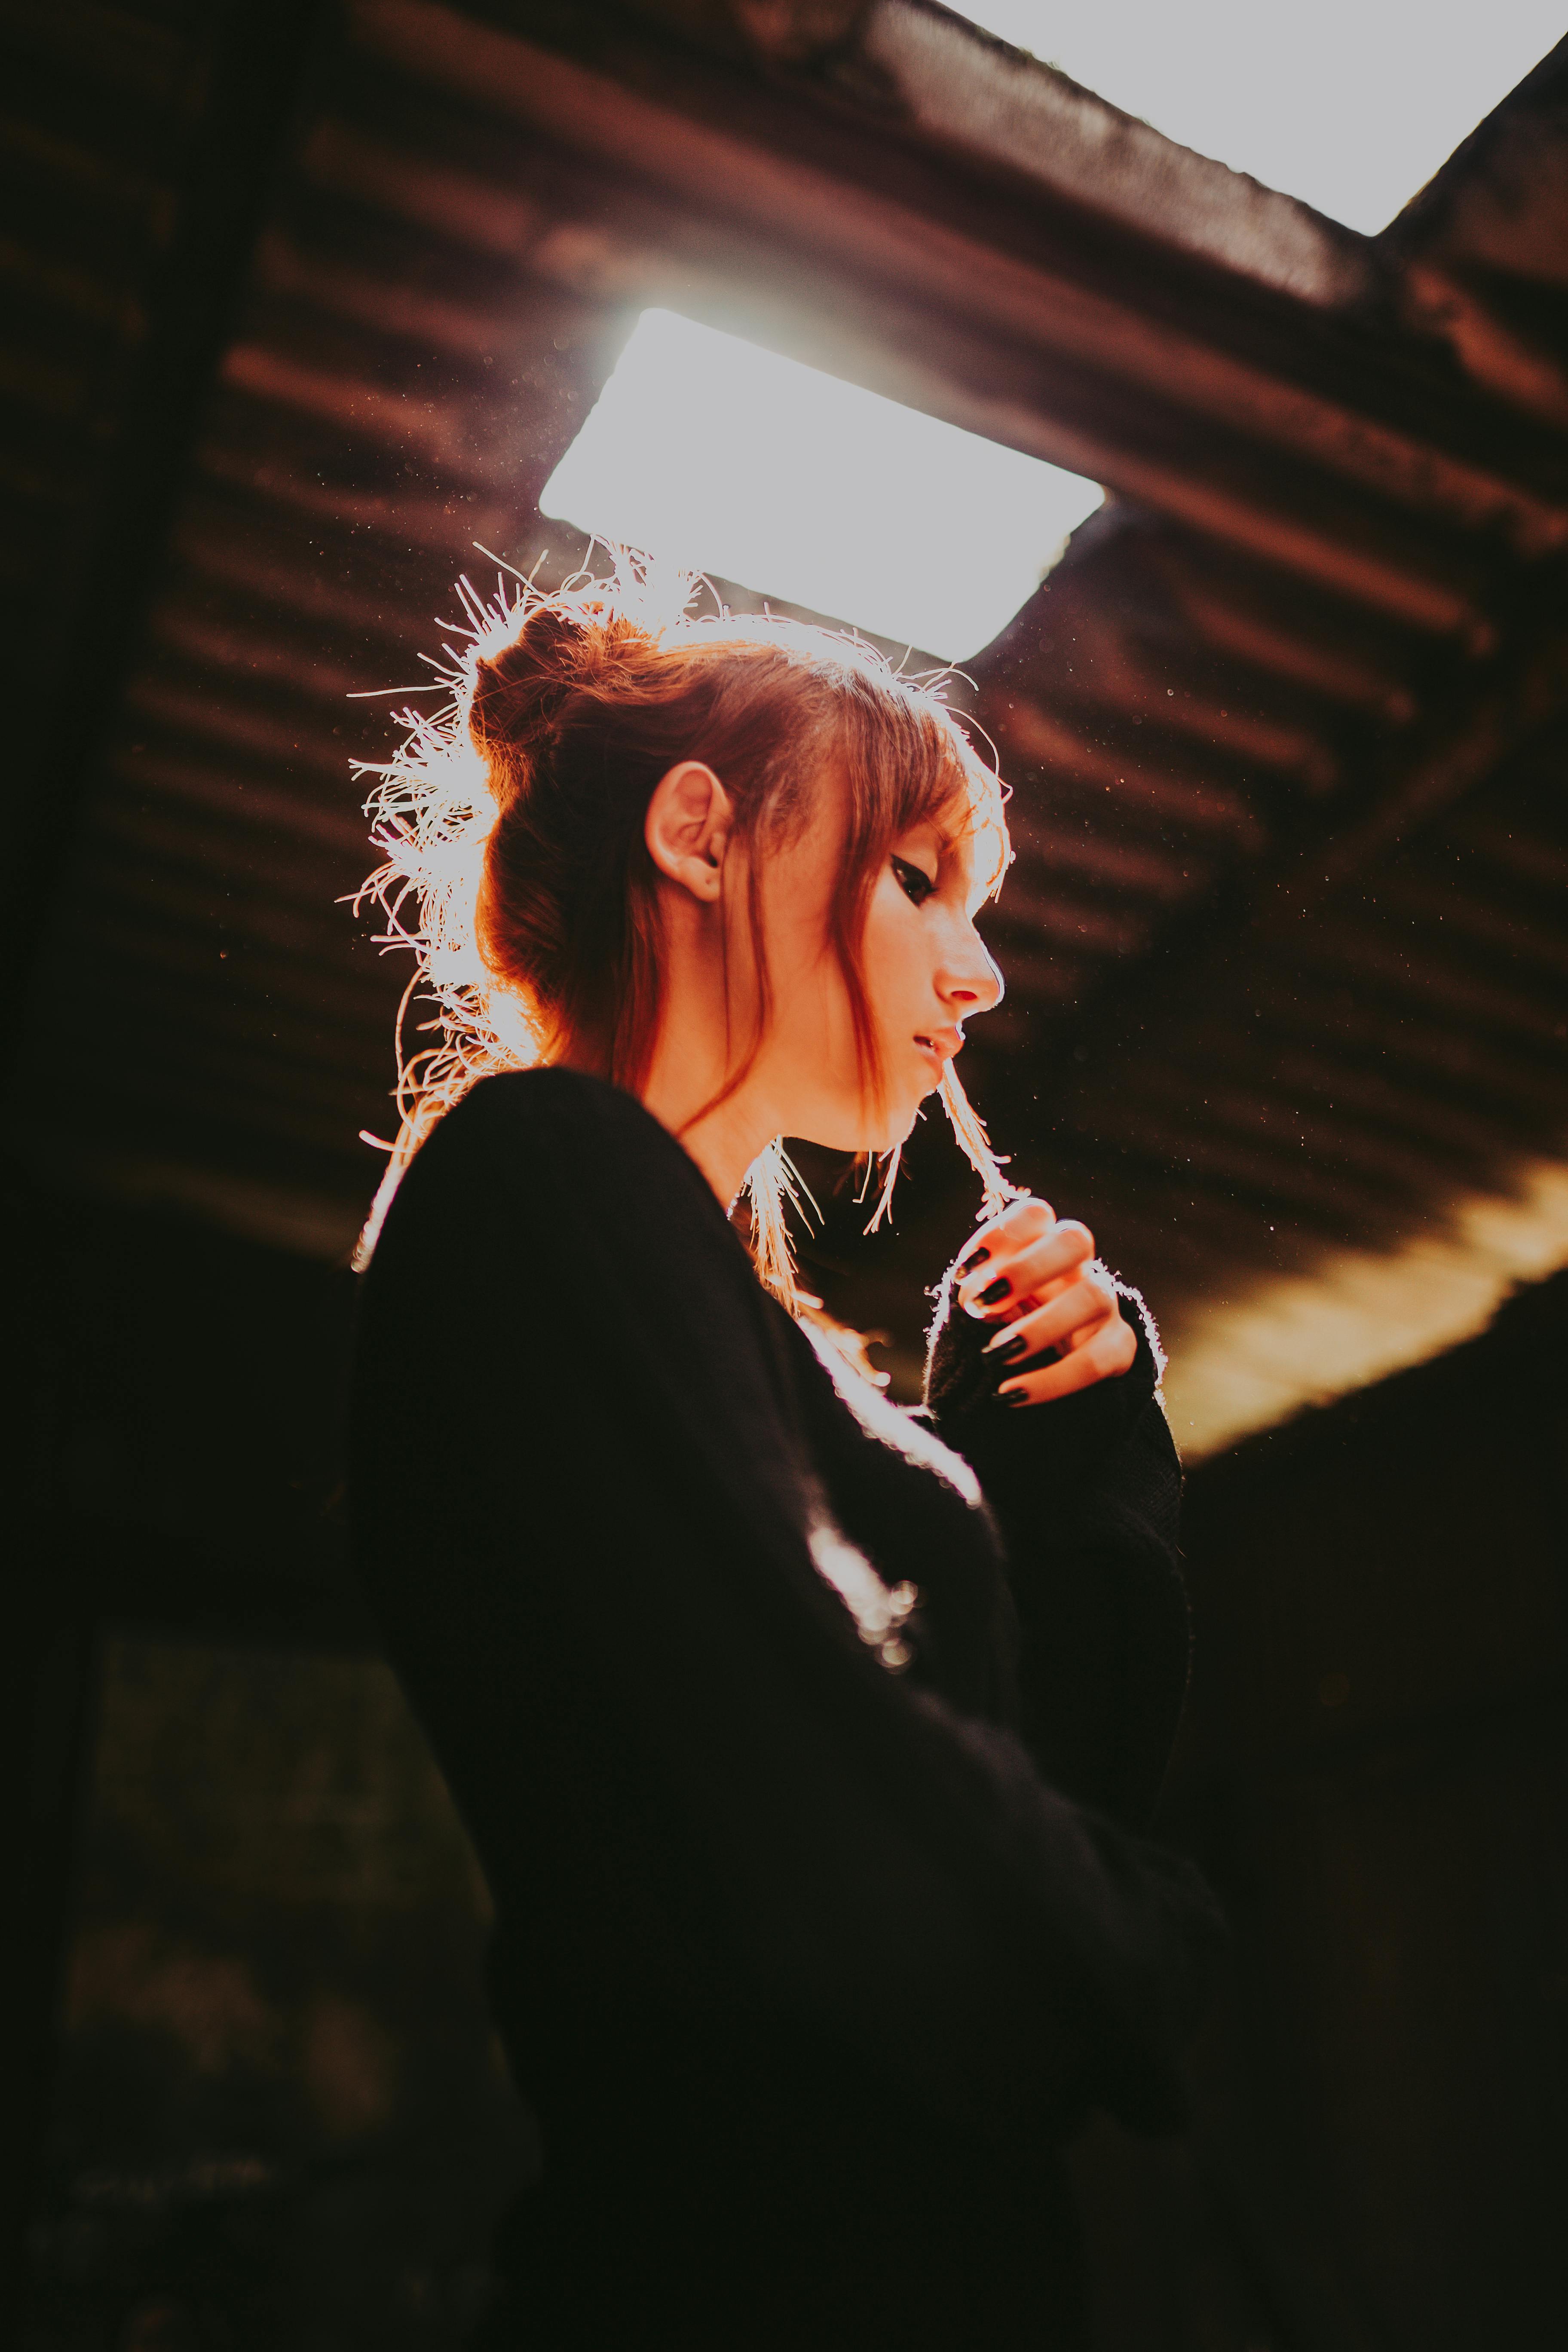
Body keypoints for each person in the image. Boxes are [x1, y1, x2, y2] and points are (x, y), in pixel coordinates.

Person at [347, 564, 1220, 2349]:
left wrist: (1050, 1457)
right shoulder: (541, 1177)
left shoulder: (734, 1318)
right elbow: (858, 1872)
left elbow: (996, 1791)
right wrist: (1168, 1952)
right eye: (916, 882)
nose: (975, 975)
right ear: (700, 837)